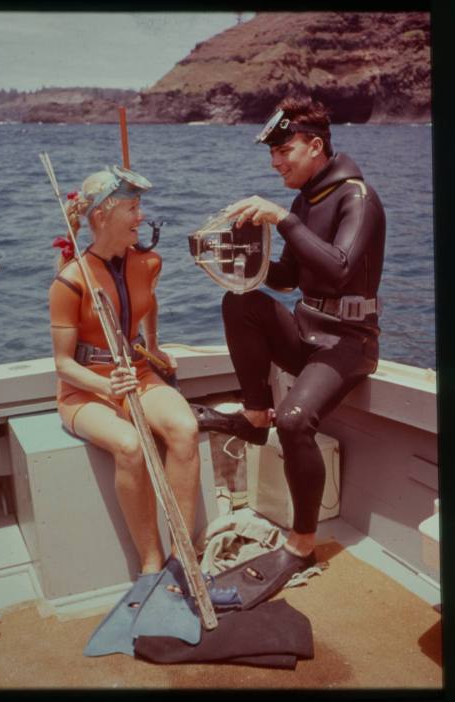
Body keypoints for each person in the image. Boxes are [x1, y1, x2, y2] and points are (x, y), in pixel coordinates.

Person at [197, 96, 385, 585]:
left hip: (348, 342)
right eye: (271, 155)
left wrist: (283, 220)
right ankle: (256, 416)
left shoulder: (355, 198)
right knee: (240, 302)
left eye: (285, 151)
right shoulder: (307, 200)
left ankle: (302, 545)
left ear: (316, 146)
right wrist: (239, 253)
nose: (276, 163)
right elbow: (290, 278)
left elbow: (340, 269)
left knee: (298, 420)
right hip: (307, 332)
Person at [48, 166, 201, 585]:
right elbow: (62, 364)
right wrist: (104, 385)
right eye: (132, 208)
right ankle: (150, 564)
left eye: (139, 207)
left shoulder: (149, 262)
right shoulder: (70, 280)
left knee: (185, 428)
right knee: (131, 446)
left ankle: (183, 557)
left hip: (138, 374)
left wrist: (152, 346)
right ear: (101, 216)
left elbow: (149, 305)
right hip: (84, 391)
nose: (140, 216)